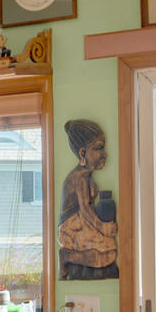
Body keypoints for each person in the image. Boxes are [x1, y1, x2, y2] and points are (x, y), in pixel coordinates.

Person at [58, 119, 120, 281]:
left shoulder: (87, 177)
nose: (104, 154)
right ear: (82, 154)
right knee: (104, 256)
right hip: (72, 228)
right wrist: (103, 228)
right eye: (99, 148)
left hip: (84, 222)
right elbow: (85, 209)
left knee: (110, 253)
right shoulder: (78, 178)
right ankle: (67, 255)